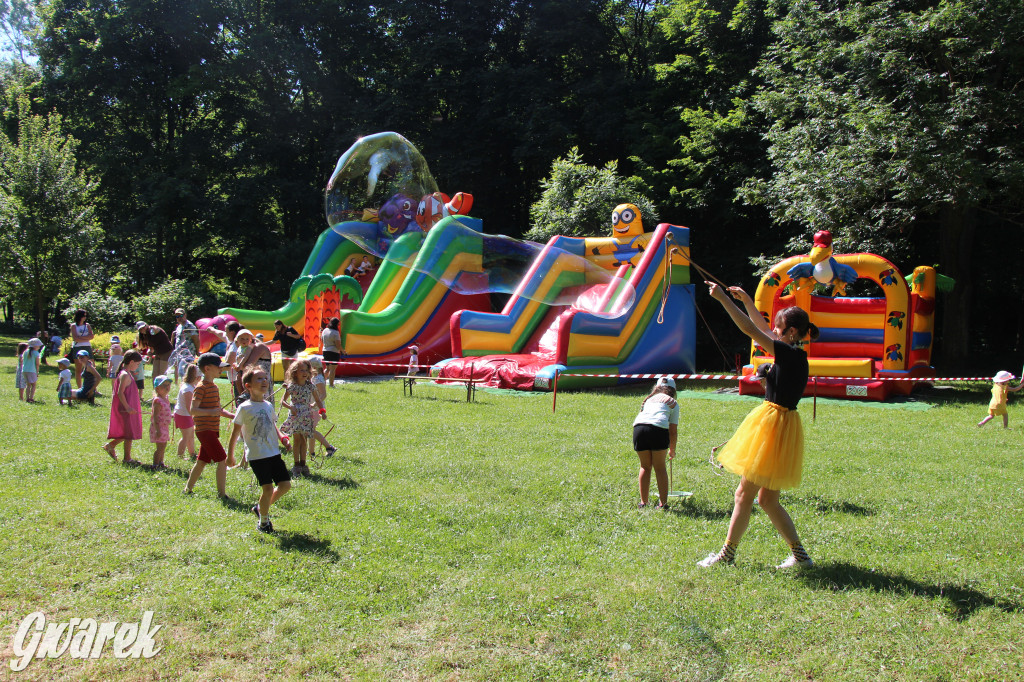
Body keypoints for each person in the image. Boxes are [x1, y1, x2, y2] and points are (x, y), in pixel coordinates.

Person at [698, 283, 818, 570]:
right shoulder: (794, 353)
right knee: (767, 499)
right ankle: (802, 557)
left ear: (790, 332)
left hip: (772, 429)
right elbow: (763, 329)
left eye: (779, 329)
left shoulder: (789, 355)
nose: (773, 332)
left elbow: (753, 332)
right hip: (781, 427)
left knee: (744, 495)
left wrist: (724, 300)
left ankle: (726, 555)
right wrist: (748, 301)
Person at [229, 367, 293, 533]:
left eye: (265, 378)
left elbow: (273, 426)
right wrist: (230, 455)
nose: (264, 381)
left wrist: (283, 438)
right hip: (257, 455)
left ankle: (260, 508)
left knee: (285, 485)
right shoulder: (244, 408)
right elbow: (235, 433)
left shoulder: (268, 405)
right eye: (259, 379)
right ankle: (263, 522)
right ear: (248, 385)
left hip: (273, 452)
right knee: (268, 488)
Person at [184, 353, 235, 496]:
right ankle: (222, 494)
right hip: (204, 430)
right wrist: (211, 412)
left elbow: (217, 409)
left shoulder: (214, 387)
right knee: (222, 460)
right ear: (207, 368)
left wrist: (231, 415)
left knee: (202, 461)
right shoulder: (201, 387)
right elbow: (193, 410)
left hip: (211, 430)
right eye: (218, 367)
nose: (221, 370)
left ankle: (187, 489)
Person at [632, 377, 679, 509]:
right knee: (659, 467)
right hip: (658, 430)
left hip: (638, 429)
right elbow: (673, 431)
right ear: (673, 390)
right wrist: (672, 449)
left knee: (645, 466)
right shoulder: (673, 403)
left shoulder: (647, 400)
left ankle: (643, 502)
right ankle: (663, 504)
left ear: (656, 388)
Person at [280, 358, 324, 476]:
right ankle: (296, 465)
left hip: (306, 414)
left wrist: (322, 411)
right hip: (295, 415)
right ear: (295, 372)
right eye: (301, 370)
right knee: (297, 440)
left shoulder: (310, 386)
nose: (304, 373)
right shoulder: (292, 387)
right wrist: (291, 407)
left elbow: (318, 399)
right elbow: (282, 401)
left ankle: (303, 464)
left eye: (306, 370)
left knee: (304, 440)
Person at [103, 350, 144, 464]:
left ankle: (112, 447)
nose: (138, 366)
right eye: (137, 364)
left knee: (128, 433)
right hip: (125, 409)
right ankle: (126, 458)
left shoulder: (126, 373)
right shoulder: (125, 375)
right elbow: (120, 393)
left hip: (128, 408)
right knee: (128, 433)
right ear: (131, 362)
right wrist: (128, 407)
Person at [308, 356, 337, 457]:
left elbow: (323, 394)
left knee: (310, 430)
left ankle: (329, 447)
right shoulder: (314, 377)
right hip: (311, 408)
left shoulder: (318, 379)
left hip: (316, 409)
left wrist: (314, 404)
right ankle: (311, 452)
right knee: (310, 431)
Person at [232, 329, 272, 398]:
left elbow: (247, 366)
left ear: (251, 339)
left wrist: (239, 366)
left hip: (260, 382)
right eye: (242, 339)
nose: (244, 341)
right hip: (252, 383)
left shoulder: (259, 347)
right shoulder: (242, 349)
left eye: (246, 339)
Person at [175, 364, 201, 460]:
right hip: (184, 415)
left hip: (186, 415)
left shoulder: (190, 386)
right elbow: (189, 407)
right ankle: (179, 456)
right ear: (197, 377)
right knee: (186, 437)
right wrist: (195, 416)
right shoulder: (188, 389)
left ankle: (192, 453)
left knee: (190, 436)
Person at [136, 321, 172, 386]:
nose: (142, 329)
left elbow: (156, 329)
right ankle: (156, 391)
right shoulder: (145, 336)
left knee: (162, 373)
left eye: (143, 327)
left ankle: (163, 391)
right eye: (140, 329)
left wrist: (152, 329)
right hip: (158, 353)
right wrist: (149, 352)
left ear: (146, 325)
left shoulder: (153, 329)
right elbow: (151, 347)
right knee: (154, 374)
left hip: (166, 352)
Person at [149, 375, 173, 469]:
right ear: (158, 389)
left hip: (165, 426)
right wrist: (157, 430)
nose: (167, 387)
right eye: (164, 385)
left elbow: (164, 412)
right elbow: (155, 416)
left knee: (163, 445)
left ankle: (161, 462)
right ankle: (155, 464)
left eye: (168, 385)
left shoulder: (166, 399)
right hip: (158, 427)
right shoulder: (157, 401)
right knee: (159, 447)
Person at [170, 309, 199, 383]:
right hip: (179, 353)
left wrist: (197, 351)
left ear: (185, 315)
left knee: (184, 371)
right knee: (181, 371)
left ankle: (188, 387)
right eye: (177, 316)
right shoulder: (179, 326)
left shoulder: (189, 326)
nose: (179, 317)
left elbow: (196, 339)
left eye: (181, 315)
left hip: (188, 353)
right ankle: (183, 386)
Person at [69, 309, 95, 388]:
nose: (85, 317)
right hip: (77, 347)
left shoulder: (87, 325)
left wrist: (81, 338)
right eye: (84, 316)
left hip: (87, 346)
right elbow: (75, 338)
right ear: (79, 316)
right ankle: (80, 388)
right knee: (78, 368)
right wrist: (85, 338)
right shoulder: (74, 326)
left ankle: (94, 388)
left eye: (85, 316)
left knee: (92, 366)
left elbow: (91, 336)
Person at [320, 317, 342, 387]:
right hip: (334, 352)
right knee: (333, 369)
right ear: (336, 325)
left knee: (327, 368)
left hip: (325, 351)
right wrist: (343, 351)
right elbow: (338, 345)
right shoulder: (335, 333)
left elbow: (322, 340)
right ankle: (331, 385)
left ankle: (321, 383)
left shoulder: (325, 330)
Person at [23, 337, 42, 403]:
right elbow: (37, 364)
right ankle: (31, 398)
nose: (39, 347)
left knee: (28, 385)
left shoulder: (25, 352)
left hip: (25, 370)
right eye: (38, 345)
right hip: (32, 370)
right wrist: (37, 372)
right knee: (33, 385)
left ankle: (27, 398)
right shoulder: (36, 353)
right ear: (35, 346)